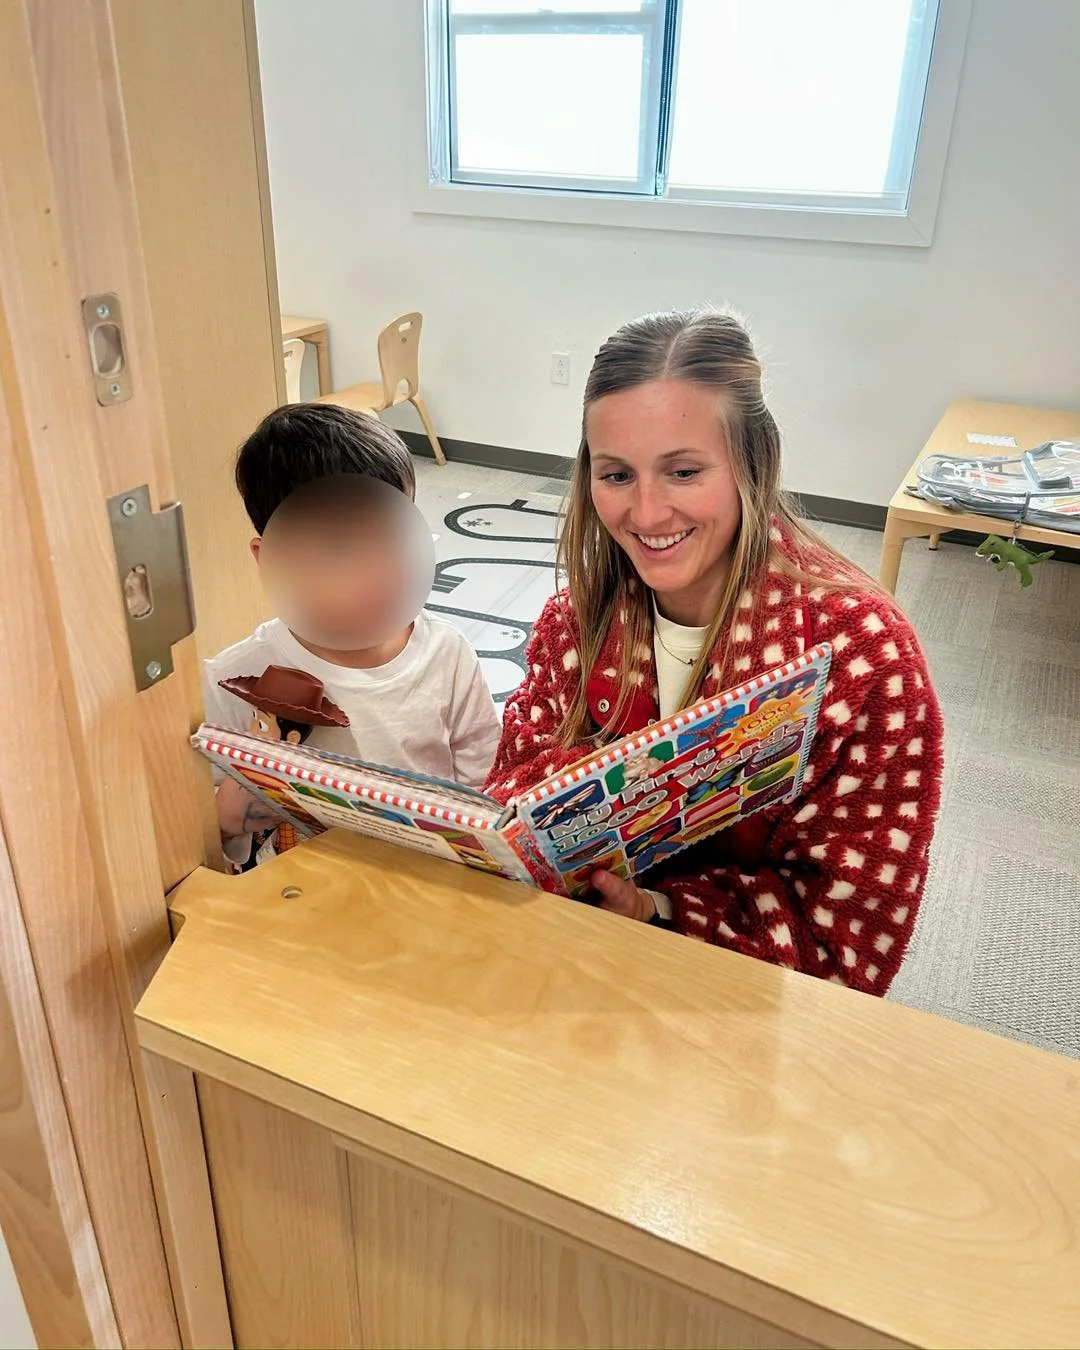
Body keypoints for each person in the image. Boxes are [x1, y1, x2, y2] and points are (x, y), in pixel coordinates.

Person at [486, 310, 943, 995]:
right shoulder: (572, 622)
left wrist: (659, 910)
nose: (646, 513)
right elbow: (505, 808)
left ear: (752, 463)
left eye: (683, 471)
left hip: (739, 1014)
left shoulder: (864, 659)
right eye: (615, 475)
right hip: (563, 968)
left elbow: (846, 941)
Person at [204, 402, 500, 864]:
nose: (376, 572)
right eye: (339, 549)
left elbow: (485, 782)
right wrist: (229, 813)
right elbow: (208, 842)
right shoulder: (235, 678)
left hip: (436, 886)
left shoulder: (447, 654)